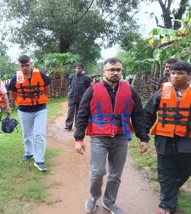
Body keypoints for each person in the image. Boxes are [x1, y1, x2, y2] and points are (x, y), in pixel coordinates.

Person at [74, 57, 149, 214]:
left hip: (121, 136)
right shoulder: (92, 90)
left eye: (118, 70)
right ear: (104, 72)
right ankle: (94, 197)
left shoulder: (130, 90)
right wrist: (79, 139)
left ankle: (109, 202)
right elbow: (81, 114)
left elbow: (138, 115)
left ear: (121, 71)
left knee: (115, 174)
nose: (115, 73)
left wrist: (143, 138)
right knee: (97, 171)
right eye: (111, 70)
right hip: (99, 137)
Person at [144, 61, 191, 214]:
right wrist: (143, 135)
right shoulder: (161, 92)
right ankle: (167, 205)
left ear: (189, 76)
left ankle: (172, 187)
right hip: (164, 136)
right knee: (165, 170)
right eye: (173, 73)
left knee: (186, 169)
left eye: (180, 73)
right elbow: (148, 114)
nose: (176, 76)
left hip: (189, 137)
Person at [8, 55, 51, 171]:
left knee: (39, 134)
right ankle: (29, 153)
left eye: (27, 65)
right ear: (19, 66)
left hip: (40, 109)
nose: (25, 68)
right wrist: (21, 101)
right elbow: (13, 92)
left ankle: (39, 160)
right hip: (24, 109)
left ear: (31, 63)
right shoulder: (15, 78)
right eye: (22, 66)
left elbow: (47, 87)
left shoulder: (41, 75)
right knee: (27, 134)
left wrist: (41, 98)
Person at [64, 63, 91, 130]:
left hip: (81, 98)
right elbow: (69, 85)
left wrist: (86, 98)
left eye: (79, 68)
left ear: (82, 69)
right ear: (75, 69)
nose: (78, 69)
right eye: (77, 68)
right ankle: (68, 125)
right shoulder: (71, 76)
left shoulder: (86, 78)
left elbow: (88, 89)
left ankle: (78, 125)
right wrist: (69, 93)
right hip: (72, 97)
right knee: (70, 111)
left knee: (79, 112)